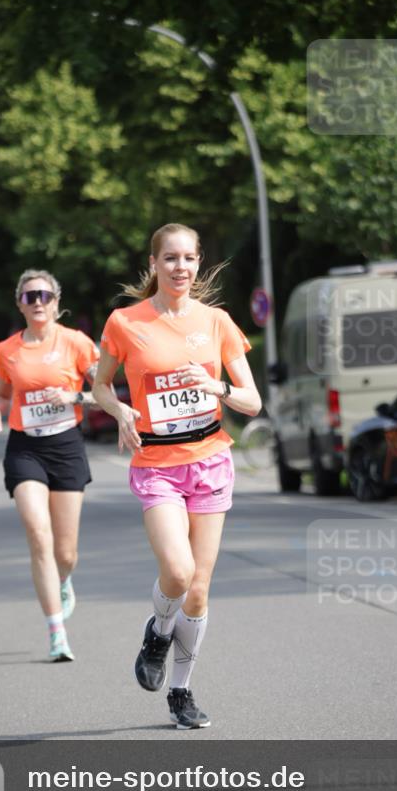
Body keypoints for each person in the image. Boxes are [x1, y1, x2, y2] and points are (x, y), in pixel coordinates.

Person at [93, 222, 261, 730]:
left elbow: (252, 402)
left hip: (210, 460)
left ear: (198, 263)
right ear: (154, 264)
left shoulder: (217, 322)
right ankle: (157, 632)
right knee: (179, 572)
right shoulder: (125, 322)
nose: (180, 267)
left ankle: (181, 692)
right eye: (170, 258)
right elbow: (101, 385)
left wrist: (217, 386)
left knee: (201, 589)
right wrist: (121, 411)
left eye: (189, 258)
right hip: (156, 466)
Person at [0, 269, 100, 663]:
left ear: (56, 301)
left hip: (66, 447)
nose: (38, 302)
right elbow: (2, 392)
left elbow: (102, 393)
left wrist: (73, 396)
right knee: (38, 534)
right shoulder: (7, 350)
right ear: (19, 302)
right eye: (30, 295)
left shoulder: (76, 343)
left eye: (44, 295)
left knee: (65, 553)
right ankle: (57, 633)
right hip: (25, 449)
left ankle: (64, 579)